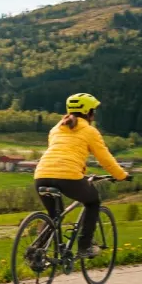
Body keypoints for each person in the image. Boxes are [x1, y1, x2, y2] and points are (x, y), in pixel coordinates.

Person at [32, 92, 129, 258]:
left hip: (41, 174)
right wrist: (121, 175)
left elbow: (61, 154)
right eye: (93, 111)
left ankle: (36, 252)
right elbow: (105, 159)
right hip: (68, 177)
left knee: (54, 216)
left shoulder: (55, 129)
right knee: (93, 202)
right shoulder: (90, 131)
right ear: (88, 112)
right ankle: (85, 246)